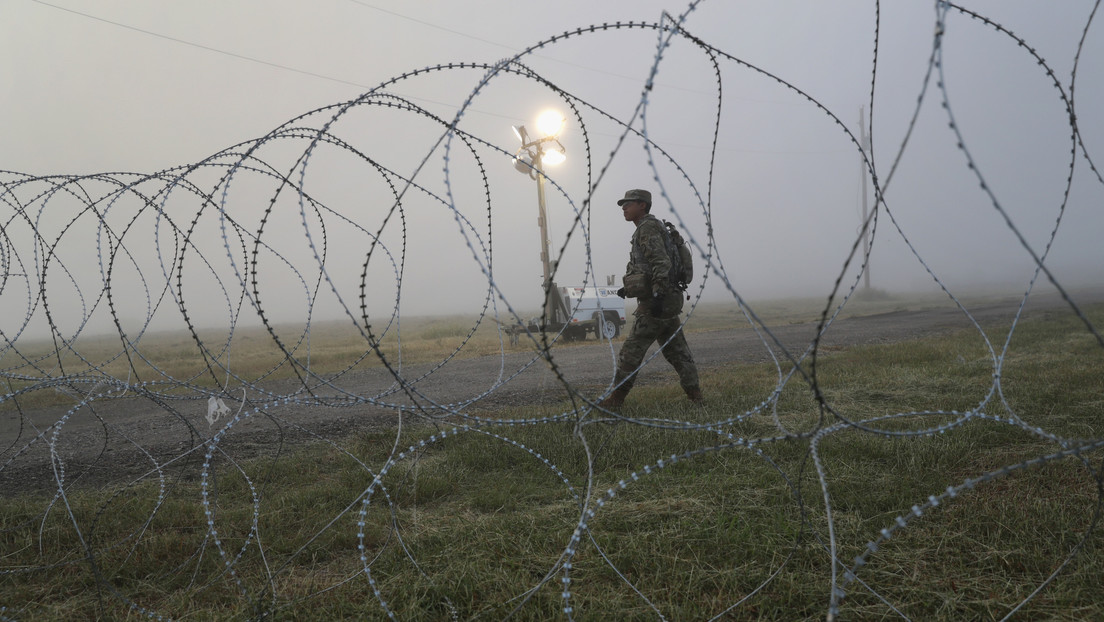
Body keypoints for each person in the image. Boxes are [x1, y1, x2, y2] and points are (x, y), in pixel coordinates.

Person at [598, 189, 703, 409]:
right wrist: (629, 288)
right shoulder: (653, 228)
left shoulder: (647, 228)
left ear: (642, 205)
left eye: (628, 204)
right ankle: (696, 397)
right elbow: (648, 265)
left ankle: (615, 401)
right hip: (670, 299)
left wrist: (657, 294)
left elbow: (661, 262)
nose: (624, 208)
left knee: (631, 352)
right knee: (677, 351)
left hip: (659, 301)